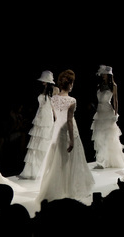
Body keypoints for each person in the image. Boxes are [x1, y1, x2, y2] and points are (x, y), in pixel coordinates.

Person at [36, 70, 94, 208]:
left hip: (57, 130)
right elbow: (69, 121)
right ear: (69, 84)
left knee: (57, 160)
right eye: (72, 83)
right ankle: (68, 188)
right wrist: (72, 140)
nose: (73, 85)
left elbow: (56, 116)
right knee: (70, 160)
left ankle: (58, 187)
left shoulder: (53, 99)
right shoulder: (72, 100)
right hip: (68, 131)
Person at [19, 71, 56, 180]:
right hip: (40, 116)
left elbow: (55, 107)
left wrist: (57, 119)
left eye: (44, 80)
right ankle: (35, 170)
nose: (42, 82)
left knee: (45, 141)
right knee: (37, 143)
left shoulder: (55, 90)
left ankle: (46, 169)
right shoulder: (42, 90)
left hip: (47, 118)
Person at [91, 65, 124, 168]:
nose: (103, 75)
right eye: (102, 74)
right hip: (99, 112)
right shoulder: (99, 85)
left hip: (107, 112)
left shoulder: (113, 86)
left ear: (109, 75)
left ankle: (109, 159)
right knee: (100, 135)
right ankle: (102, 159)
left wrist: (116, 113)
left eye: (105, 74)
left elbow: (115, 101)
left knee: (109, 135)